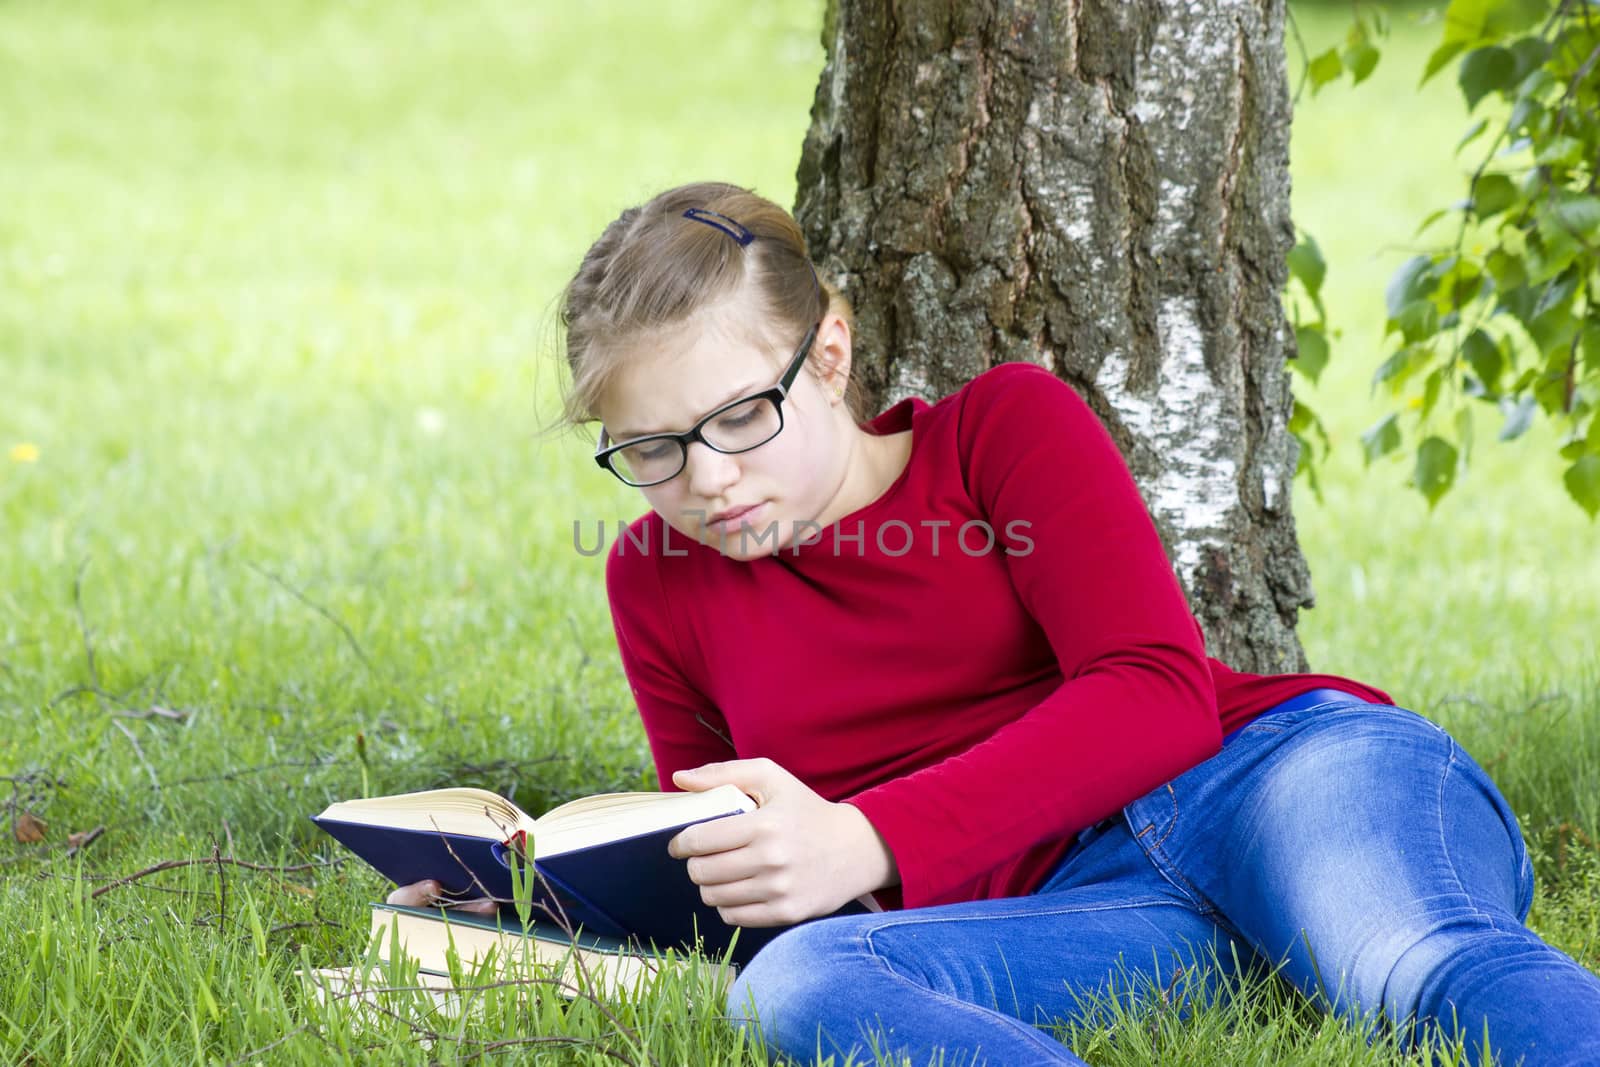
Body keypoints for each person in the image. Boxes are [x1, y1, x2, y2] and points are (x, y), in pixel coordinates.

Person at [393, 181, 1600, 1066]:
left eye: (736, 418)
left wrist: (865, 834)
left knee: (1413, 967)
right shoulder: (656, 576)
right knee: (803, 983)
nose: (705, 479)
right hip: (1081, 916)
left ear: (828, 353)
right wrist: (522, 903)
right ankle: (1273, 948)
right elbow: (747, 865)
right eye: (651, 448)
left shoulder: (999, 432)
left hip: (1270, 784)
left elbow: (1153, 688)